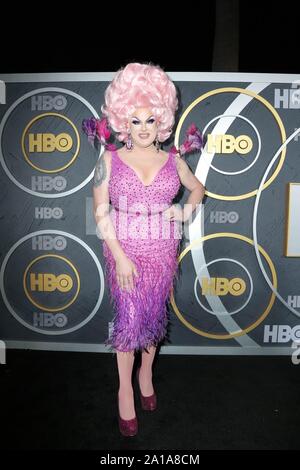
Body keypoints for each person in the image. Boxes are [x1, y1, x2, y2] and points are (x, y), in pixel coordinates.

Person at [92, 62, 205, 437]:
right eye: (135, 120)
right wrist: (120, 257)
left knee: (154, 318)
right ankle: (125, 389)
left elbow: (198, 188)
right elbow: (99, 212)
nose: (143, 128)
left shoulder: (174, 160)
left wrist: (184, 212)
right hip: (124, 249)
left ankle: (146, 374)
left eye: (150, 120)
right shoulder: (107, 160)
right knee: (129, 322)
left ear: (162, 121)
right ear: (123, 120)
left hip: (162, 250)